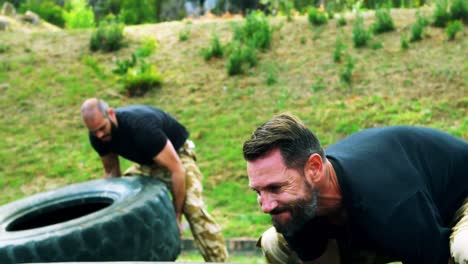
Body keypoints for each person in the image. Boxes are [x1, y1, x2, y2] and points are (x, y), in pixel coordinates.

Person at [242, 113, 468, 264]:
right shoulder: (296, 208)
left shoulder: (389, 199)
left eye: (275, 188)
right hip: (378, 226)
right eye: (258, 192)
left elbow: (434, 256)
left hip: (456, 200)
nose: (266, 205)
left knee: (464, 249)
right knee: (275, 243)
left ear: (314, 168)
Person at [81, 98, 228, 262]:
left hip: (178, 157)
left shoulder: (140, 127)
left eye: (102, 128)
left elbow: (177, 169)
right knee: (125, 200)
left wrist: (176, 216)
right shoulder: (98, 136)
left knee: (193, 208)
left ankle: (218, 260)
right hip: (147, 165)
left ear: (111, 114)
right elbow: (112, 173)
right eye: (94, 132)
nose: (100, 135)